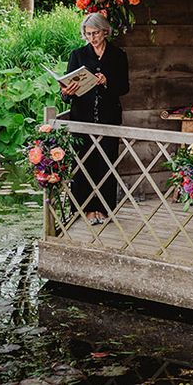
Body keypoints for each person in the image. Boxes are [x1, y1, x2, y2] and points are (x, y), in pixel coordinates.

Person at [61, 13, 129, 226]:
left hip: (109, 117)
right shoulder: (78, 55)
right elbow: (64, 91)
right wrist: (68, 92)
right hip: (82, 117)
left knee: (106, 163)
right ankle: (84, 209)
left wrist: (107, 81)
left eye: (96, 33)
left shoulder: (118, 55)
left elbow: (124, 88)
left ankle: (103, 209)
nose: (92, 38)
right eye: (88, 34)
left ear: (105, 31)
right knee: (83, 164)